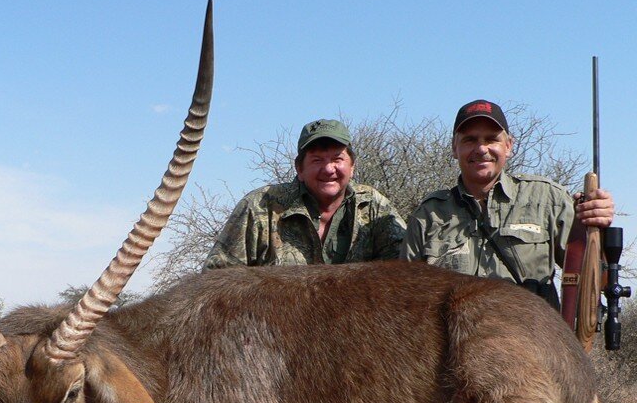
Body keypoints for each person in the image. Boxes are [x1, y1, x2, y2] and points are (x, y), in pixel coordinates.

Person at [401, 99, 614, 305]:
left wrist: (596, 227)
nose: (481, 149)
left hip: (531, 337)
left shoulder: (548, 199)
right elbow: (405, 296)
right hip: (454, 338)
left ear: (508, 146)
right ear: (454, 148)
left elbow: (597, 280)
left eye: (491, 139)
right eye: (470, 140)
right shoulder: (429, 214)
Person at [203, 119, 406, 269]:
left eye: (337, 159)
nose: (328, 169)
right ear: (299, 169)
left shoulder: (374, 206)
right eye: (317, 160)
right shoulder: (260, 206)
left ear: (352, 167)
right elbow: (217, 279)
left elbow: (406, 268)